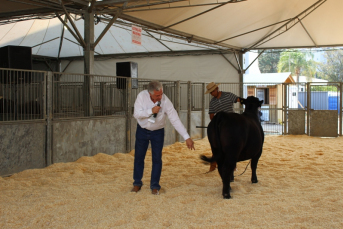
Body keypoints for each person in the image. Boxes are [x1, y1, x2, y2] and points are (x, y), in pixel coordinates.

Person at [131, 80, 195, 195]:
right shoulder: (141, 96)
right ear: (150, 93)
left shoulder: (165, 100)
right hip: (142, 130)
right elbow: (136, 114)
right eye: (157, 95)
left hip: (158, 132)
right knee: (139, 157)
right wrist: (150, 111)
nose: (160, 97)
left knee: (157, 159)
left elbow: (174, 119)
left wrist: (187, 137)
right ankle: (137, 183)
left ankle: (155, 185)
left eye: (161, 94)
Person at [205, 82, 241, 172]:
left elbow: (238, 99)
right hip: (221, 125)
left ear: (217, 89)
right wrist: (214, 124)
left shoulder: (228, 95)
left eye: (212, 92)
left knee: (232, 146)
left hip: (232, 123)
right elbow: (211, 115)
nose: (212, 94)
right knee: (216, 145)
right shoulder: (212, 102)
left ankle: (233, 165)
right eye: (210, 93)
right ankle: (213, 166)